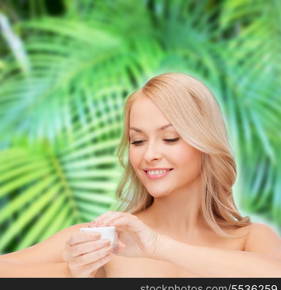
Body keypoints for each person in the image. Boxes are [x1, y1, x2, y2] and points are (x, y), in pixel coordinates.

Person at [0, 72, 280, 278]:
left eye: (170, 138)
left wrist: (158, 246)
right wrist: (69, 277)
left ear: (205, 144)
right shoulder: (102, 241)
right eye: (137, 141)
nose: (149, 155)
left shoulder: (251, 239)